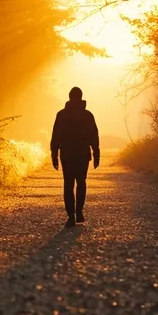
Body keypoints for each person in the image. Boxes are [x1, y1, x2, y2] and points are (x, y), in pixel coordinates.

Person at [50, 86, 100, 226]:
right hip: (83, 154)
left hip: (67, 154)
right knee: (81, 182)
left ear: (69, 97)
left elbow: (56, 136)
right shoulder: (87, 115)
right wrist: (96, 154)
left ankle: (70, 216)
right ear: (81, 97)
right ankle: (79, 212)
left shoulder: (61, 115)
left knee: (68, 184)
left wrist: (54, 155)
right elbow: (94, 136)